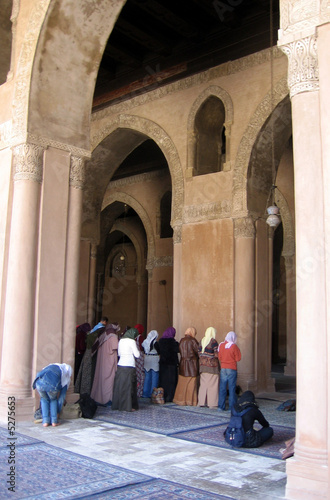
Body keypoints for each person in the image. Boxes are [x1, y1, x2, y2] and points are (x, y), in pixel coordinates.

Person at [74, 318, 107, 395]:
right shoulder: (84, 335)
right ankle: (84, 391)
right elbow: (82, 346)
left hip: (84, 355)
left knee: (82, 373)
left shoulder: (87, 335)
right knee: (86, 374)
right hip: (84, 355)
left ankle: (81, 389)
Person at [90, 323, 120, 405]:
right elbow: (116, 347)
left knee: (101, 380)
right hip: (109, 362)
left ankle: (98, 399)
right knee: (109, 381)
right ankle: (108, 400)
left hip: (101, 363)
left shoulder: (103, 336)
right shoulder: (113, 337)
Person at [112, 327, 140, 411]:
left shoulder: (121, 340)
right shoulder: (132, 341)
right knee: (129, 387)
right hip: (129, 366)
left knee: (120, 387)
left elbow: (119, 353)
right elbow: (137, 355)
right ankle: (128, 406)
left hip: (120, 365)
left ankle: (118, 405)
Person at [173, 327, 199, 406]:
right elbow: (198, 351)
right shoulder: (193, 341)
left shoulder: (182, 340)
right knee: (191, 384)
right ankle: (190, 401)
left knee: (182, 383)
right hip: (192, 365)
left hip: (183, 364)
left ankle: (180, 400)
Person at [155, 327, 179, 403]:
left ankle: (162, 396)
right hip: (171, 364)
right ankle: (170, 397)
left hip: (163, 364)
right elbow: (178, 350)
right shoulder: (173, 342)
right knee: (171, 381)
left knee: (163, 380)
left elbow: (158, 351)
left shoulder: (161, 341)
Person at [218, 331, 242, 411]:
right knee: (232, 388)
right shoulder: (234, 346)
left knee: (222, 388)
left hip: (223, 368)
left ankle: (221, 406)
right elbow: (238, 358)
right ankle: (232, 408)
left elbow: (220, 357)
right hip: (231, 368)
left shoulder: (221, 345)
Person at [198, 326, 220, 408]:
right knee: (213, 385)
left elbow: (199, 353)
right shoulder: (213, 341)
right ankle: (212, 403)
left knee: (203, 385)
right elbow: (216, 354)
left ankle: (201, 402)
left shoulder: (201, 341)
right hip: (212, 367)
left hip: (203, 366)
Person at [142, 330, 159, 398]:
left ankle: (145, 393)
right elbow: (159, 351)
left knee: (147, 376)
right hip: (154, 358)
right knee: (154, 376)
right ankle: (153, 393)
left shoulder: (145, 342)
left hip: (147, 358)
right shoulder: (155, 343)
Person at [134, 323, 145, 397]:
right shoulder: (140, 338)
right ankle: (139, 391)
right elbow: (142, 347)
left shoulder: (134, 338)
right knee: (141, 375)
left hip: (135, 358)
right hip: (140, 357)